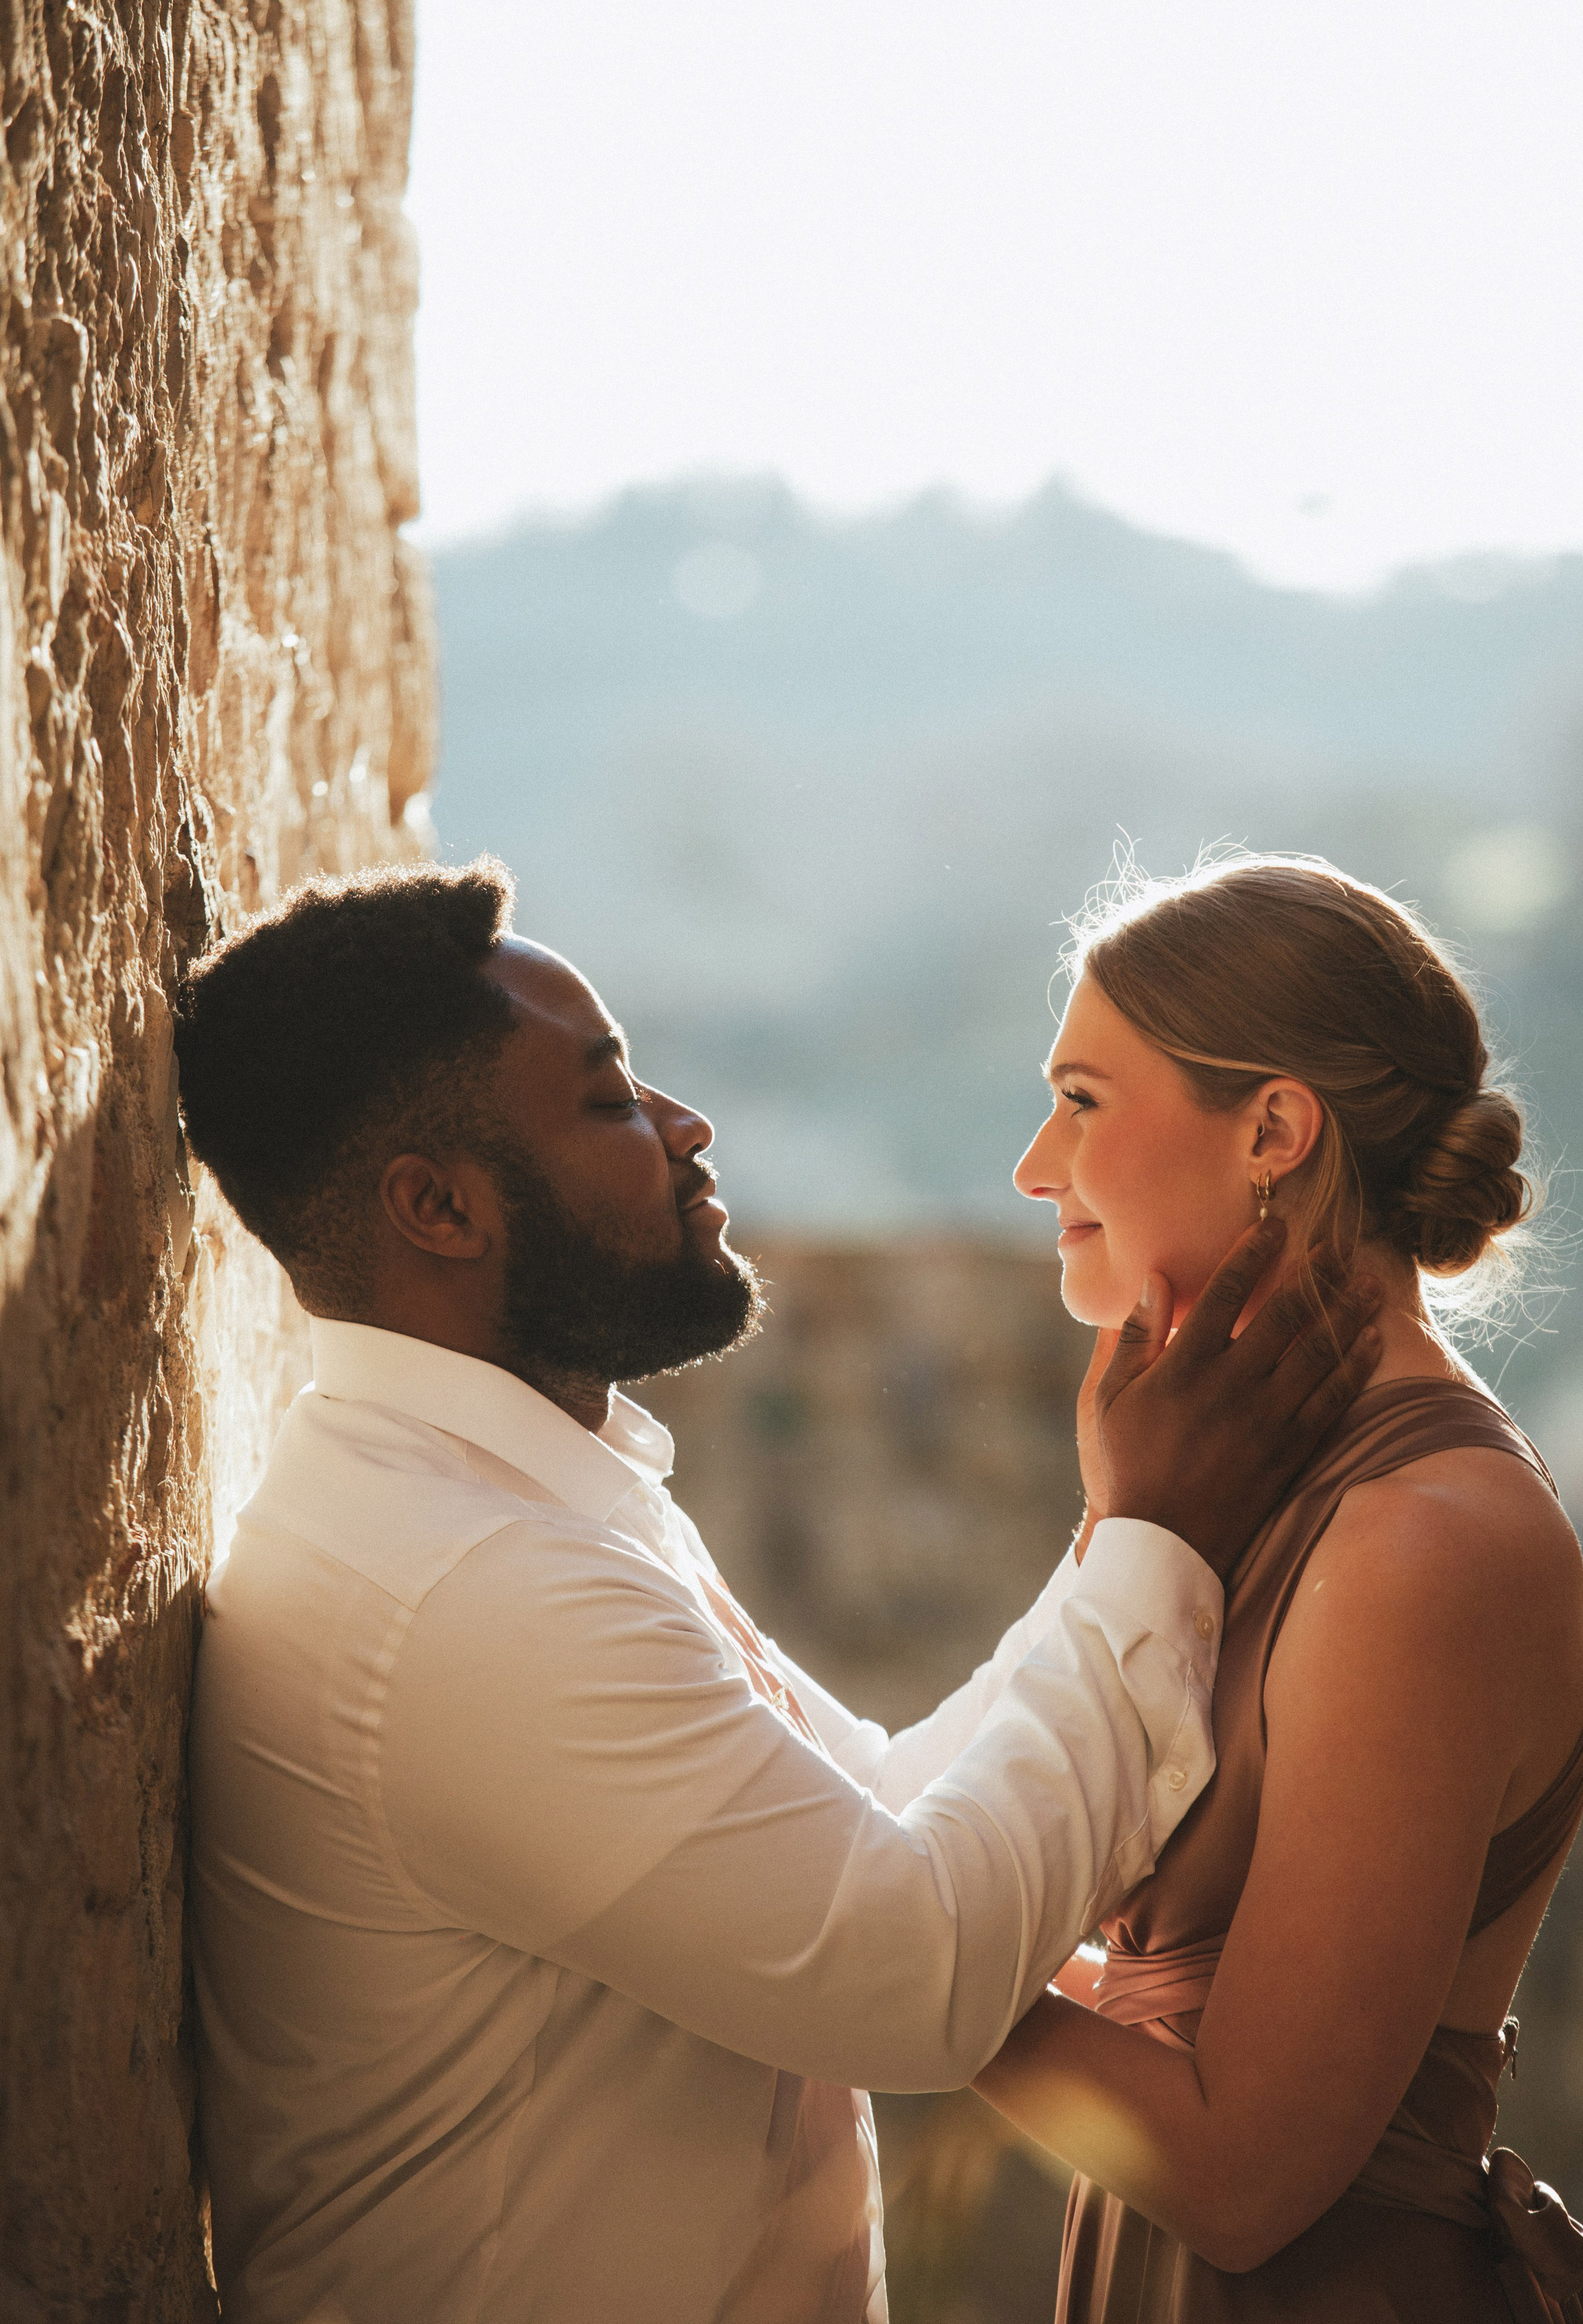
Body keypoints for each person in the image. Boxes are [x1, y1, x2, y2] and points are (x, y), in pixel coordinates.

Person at [174, 855, 1377, 2324]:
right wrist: (1157, 1542)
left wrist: (1125, 1530)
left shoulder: (512, 1505)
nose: (687, 1130)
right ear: (437, 1207)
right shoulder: (464, 1584)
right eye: (611, 1100)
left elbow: (869, 1808)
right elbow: (905, 1974)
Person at [975, 852, 1583, 2322]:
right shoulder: (1199, 1488)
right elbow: (996, 1841)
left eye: (1080, 1099)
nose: (1033, 1166)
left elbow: (1241, 2176)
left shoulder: (1417, 1546)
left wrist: (853, 1947)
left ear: (1270, 1130)